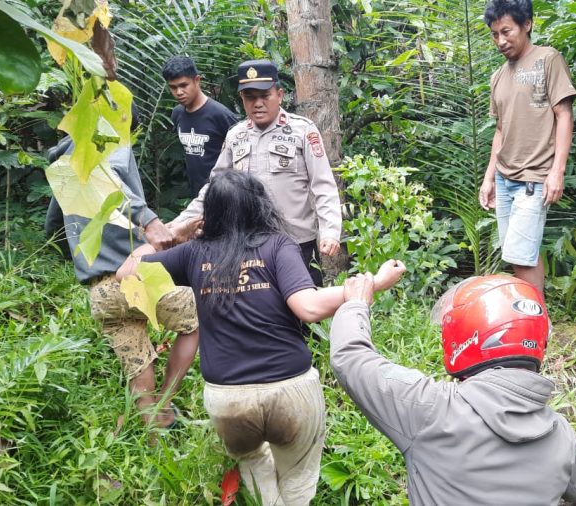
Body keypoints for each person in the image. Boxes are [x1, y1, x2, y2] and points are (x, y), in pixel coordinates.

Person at [117, 171, 403, 505]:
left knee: (254, 467)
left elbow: (125, 272)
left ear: (210, 212)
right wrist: (374, 284)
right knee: (296, 482)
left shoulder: (193, 253)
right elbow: (308, 307)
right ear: (259, 206)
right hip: (290, 390)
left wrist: (171, 234)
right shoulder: (277, 244)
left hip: (229, 400)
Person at [328, 274, 576, 505]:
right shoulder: (560, 433)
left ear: (464, 338)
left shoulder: (432, 409)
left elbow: (350, 359)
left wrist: (355, 304)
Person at [45, 104, 198, 429]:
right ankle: (166, 404)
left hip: (99, 292)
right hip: (131, 277)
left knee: (136, 359)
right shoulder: (109, 141)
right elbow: (111, 178)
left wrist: (82, 259)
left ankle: (153, 440)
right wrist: (149, 220)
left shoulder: (62, 165)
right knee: (196, 317)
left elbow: (53, 229)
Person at [170, 59, 342, 286]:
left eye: (265, 96)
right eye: (250, 97)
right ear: (242, 99)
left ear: (279, 95)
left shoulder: (302, 131)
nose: (258, 103)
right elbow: (213, 189)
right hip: (251, 246)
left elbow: (323, 185)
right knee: (262, 311)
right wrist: (175, 225)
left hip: (297, 244)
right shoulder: (235, 136)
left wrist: (330, 232)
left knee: (305, 313)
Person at [477, 0, 576, 297]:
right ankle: (532, 320)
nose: (501, 41)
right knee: (518, 255)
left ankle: (535, 324)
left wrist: (557, 171)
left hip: (534, 178)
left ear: (527, 24)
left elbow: (564, 115)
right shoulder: (498, 77)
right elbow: (500, 130)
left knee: (521, 256)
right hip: (504, 179)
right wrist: (488, 178)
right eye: (495, 34)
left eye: (506, 31)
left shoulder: (548, 59)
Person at [161, 55, 238, 198]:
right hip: (197, 196)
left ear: (197, 80)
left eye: (184, 85)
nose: (178, 92)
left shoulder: (220, 115)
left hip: (225, 195)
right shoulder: (177, 114)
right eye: (173, 87)